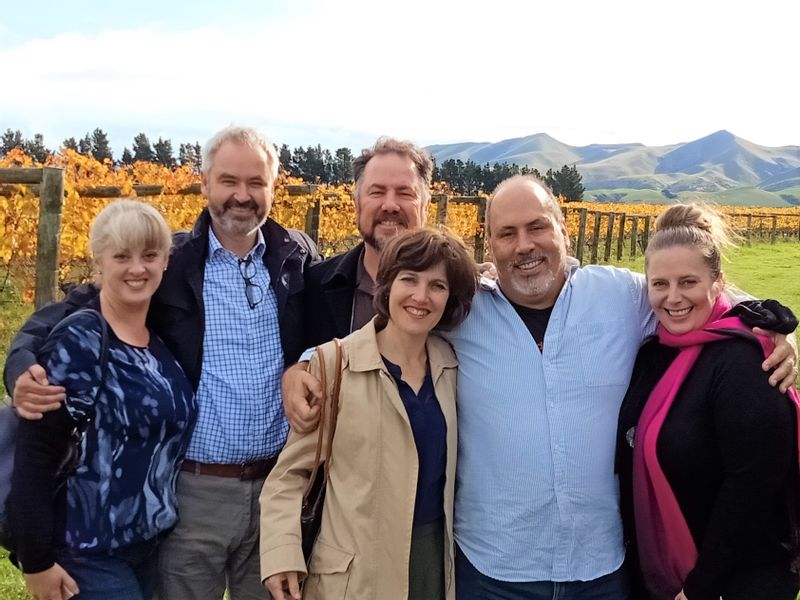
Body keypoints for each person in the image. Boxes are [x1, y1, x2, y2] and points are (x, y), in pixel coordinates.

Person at [284, 174, 798, 599]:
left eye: (537, 227)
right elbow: (382, 334)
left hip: (601, 567)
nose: (524, 245)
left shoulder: (618, 297)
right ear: (489, 244)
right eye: (507, 233)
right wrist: (306, 365)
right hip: (492, 570)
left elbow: (694, 293)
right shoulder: (462, 309)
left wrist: (763, 326)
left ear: (563, 230)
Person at [4, 126, 321, 599]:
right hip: (194, 492)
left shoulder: (296, 258)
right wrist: (20, 361)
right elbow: (73, 311)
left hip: (277, 488)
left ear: (274, 188)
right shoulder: (172, 260)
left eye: (256, 183)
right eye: (229, 181)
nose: (242, 195)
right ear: (205, 183)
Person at [260, 227, 478, 600]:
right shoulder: (335, 364)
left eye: (437, 286)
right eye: (409, 279)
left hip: (431, 561)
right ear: (387, 284)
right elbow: (289, 476)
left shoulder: (451, 366)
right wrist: (281, 554)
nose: (421, 296)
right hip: (354, 575)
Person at [8, 199, 196, 600]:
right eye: (122, 256)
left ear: (165, 261)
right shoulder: (82, 340)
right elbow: (36, 455)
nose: (137, 268)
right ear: (100, 262)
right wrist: (36, 561)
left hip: (147, 548)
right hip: (86, 554)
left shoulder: (159, 344)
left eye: (149, 255)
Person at [616, 204, 800, 600]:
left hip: (736, 582)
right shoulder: (652, 354)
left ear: (718, 283)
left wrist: (699, 587)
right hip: (665, 575)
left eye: (688, 282)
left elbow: (752, 488)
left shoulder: (748, 361)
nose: (673, 297)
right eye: (660, 284)